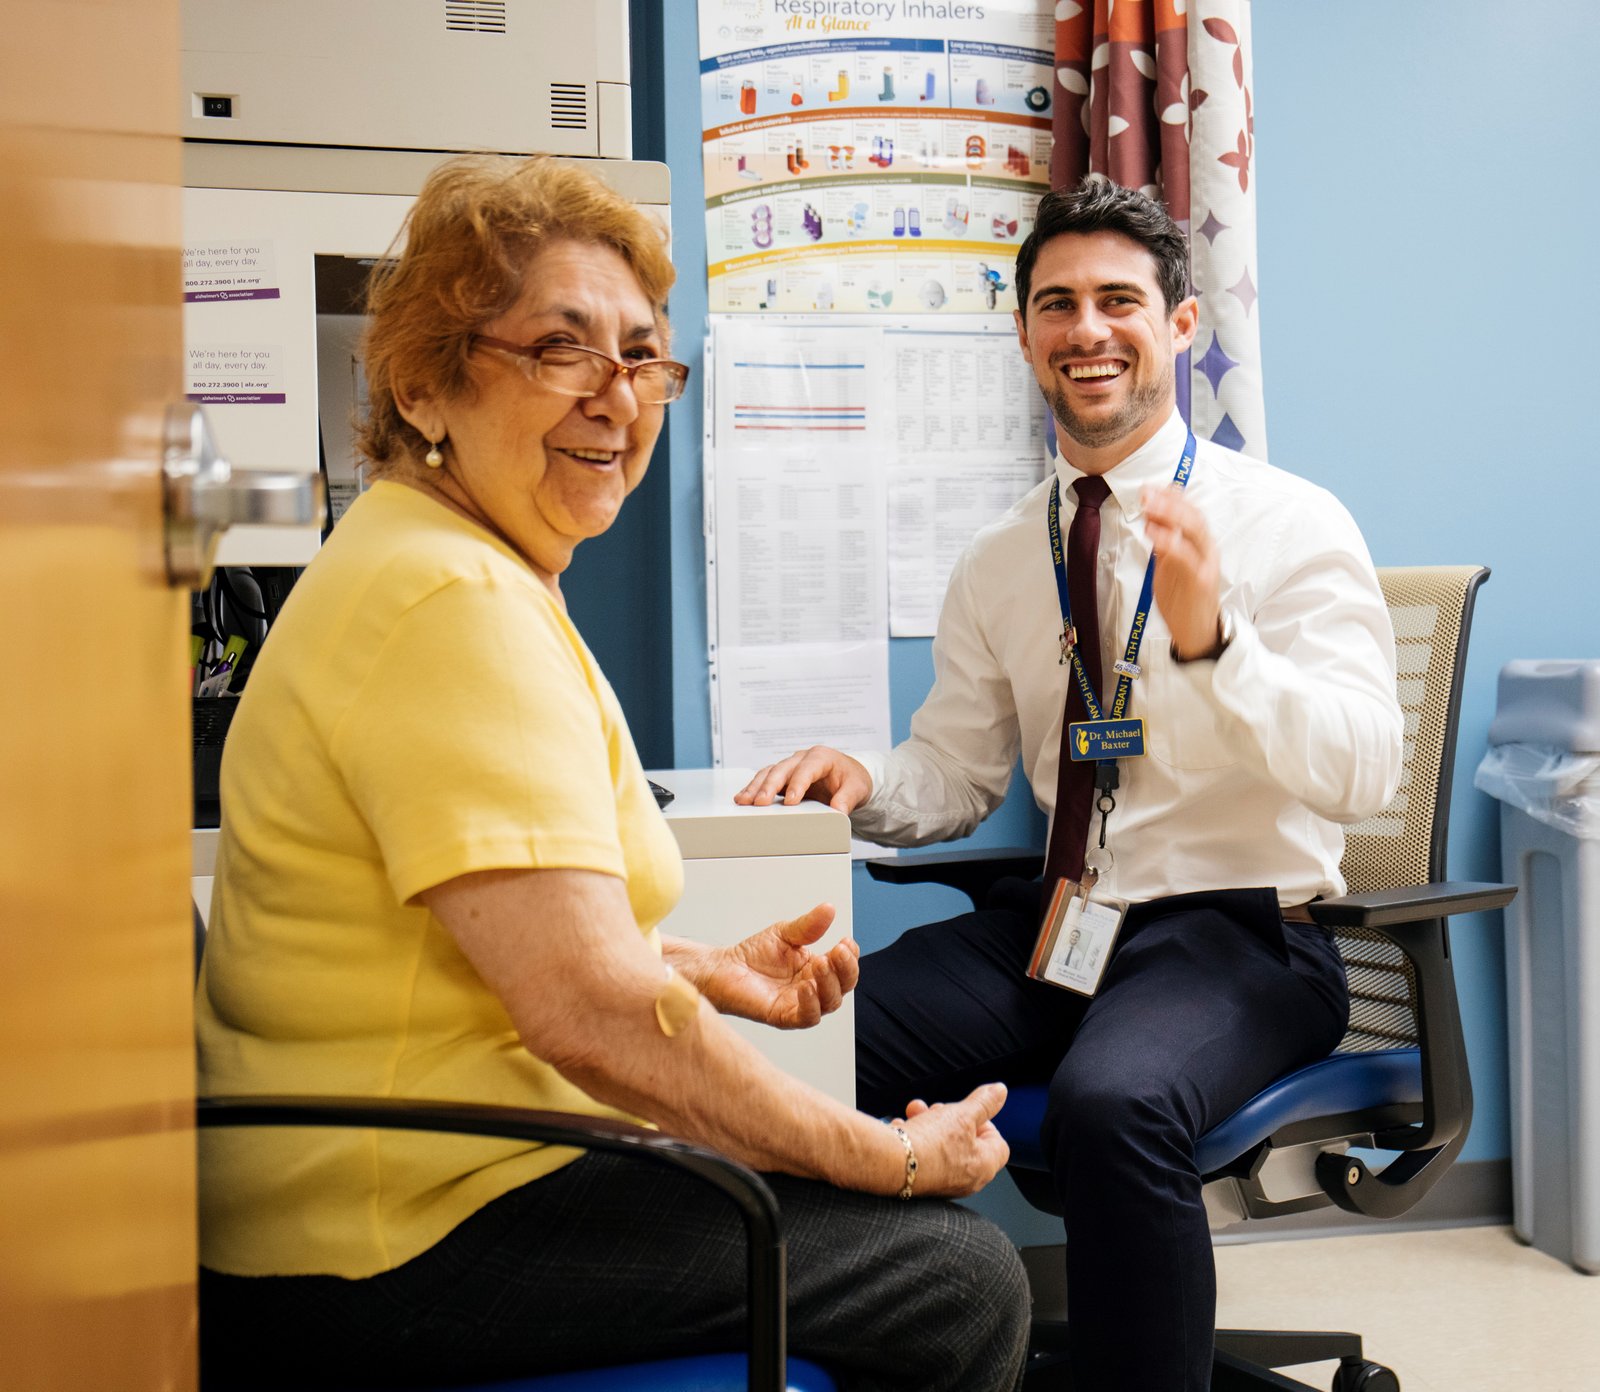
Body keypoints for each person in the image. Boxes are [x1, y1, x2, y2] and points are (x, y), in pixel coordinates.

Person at [195, 154, 1029, 1392]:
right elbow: (581, 1011)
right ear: (426, 382)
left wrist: (698, 970)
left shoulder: (439, 559)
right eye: (562, 350)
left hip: (395, 1178)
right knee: (953, 1278)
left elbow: (478, 951)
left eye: (642, 358)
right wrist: (884, 1160)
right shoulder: (447, 600)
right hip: (384, 1234)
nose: (618, 398)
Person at [737, 178, 1404, 1392]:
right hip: (1060, 931)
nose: (1087, 329)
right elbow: (952, 770)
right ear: (1025, 334)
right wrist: (861, 780)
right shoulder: (1002, 556)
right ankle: (890, 1339)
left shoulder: (1290, 524)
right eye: (1058, 304)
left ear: (1181, 326)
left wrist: (1215, 647)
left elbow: (1363, 773)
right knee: (795, 1045)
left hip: (1240, 938)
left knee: (1114, 1105)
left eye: (1118, 301)